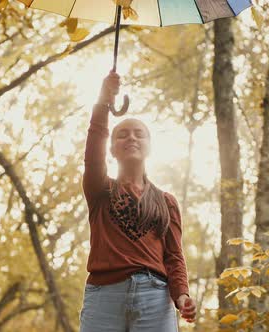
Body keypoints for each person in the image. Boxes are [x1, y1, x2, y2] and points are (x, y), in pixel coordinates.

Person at [79, 70, 197, 332]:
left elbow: (174, 257)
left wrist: (182, 295)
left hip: (155, 298)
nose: (131, 137)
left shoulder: (166, 202)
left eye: (138, 134)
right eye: (122, 134)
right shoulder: (100, 188)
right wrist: (103, 101)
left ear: (150, 146)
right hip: (103, 297)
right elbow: (93, 148)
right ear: (111, 148)